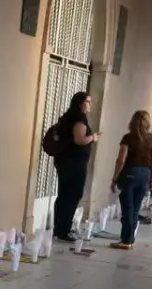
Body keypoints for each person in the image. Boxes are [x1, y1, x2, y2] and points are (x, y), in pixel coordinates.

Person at [52, 93, 100, 242]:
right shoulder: (79, 118)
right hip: (74, 163)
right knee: (72, 195)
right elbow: (79, 140)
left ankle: (60, 228)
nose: (90, 105)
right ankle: (63, 230)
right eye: (88, 102)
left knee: (64, 195)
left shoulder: (68, 117)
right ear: (81, 103)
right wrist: (93, 137)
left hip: (66, 161)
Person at [109, 110, 152, 250]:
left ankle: (126, 240)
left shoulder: (128, 138)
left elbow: (121, 160)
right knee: (135, 209)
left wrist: (114, 178)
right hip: (145, 174)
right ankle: (130, 239)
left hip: (130, 173)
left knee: (127, 208)